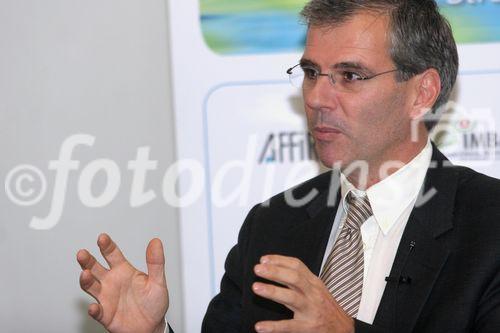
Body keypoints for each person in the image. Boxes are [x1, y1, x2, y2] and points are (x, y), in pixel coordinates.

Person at [77, 0, 500, 332]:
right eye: (312, 72)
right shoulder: (272, 225)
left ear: (422, 92)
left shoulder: (489, 226)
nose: (316, 97)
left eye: (350, 75)